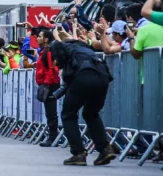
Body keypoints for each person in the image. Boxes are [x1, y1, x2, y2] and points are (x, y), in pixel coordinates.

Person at [49, 30, 116, 166]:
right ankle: (104, 149)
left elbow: (62, 65)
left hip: (83, 76)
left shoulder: (59, 46)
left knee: (68, 114)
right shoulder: (83, 47)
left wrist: (65, 82)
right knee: (91, 113)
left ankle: (78, 153)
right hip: (102, 77)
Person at [33, 29, 60, 145]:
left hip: (50, 85)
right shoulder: (43, 51)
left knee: (51, 112)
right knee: (49, 112)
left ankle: (53, 138)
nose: (37, 38)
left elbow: (52, 69)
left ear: (46, 39)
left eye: (39, 36)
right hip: (46, 84)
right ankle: (52, 136)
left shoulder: (49, 52)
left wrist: (47, 84)